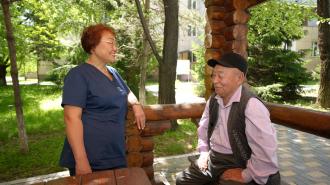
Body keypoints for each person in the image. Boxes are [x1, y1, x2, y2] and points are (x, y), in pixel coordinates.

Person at [176, 52, 280, 185]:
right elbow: (203, 129)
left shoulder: (251, 105)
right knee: (182, 180)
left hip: (240, 160)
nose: (215, 81)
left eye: (220, 75)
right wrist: (203, 152)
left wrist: (246, 174)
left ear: (239, 78)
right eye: (214, 75)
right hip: (214, 158)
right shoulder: (213, 100)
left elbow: (265, 151)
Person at [59, 23, 145, 176]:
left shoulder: (113, 72)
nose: (115, 48)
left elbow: (127, 92)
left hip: (115, 154)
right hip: (91, 159)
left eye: (115, 43)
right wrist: (81, 161)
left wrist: (136, 104)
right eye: (110, 42)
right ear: (93, 46)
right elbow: (71, 118)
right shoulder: (78, 75)